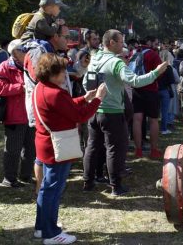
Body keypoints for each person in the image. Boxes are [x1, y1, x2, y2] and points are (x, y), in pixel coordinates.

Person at [82, 30, 168, 196]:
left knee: (92, 147)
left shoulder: (95, 58)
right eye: (121, 42)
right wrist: (156, 72)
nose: (124, 45)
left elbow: (86, 82)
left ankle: (88, 182)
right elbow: (135, 81)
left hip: (94, 110)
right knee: (114, 149)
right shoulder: (116, 63)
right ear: (112, 43)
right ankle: (116, 186)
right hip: (112, 112)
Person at [33, 53, 105, 244]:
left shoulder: (41, 88)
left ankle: (42, 227)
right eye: (62, 70)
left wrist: (84, 98)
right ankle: (51, 233)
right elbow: (80, 116)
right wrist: (98, 99)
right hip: (57, 146)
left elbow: (65, 107)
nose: (65, 73)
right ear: (53, 73)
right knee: (53, 190)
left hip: (45, 144)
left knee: (46, 189)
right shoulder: (56, 92)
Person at [23, 25, 73, 194]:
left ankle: (45, 188)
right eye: (65, 37)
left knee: (46, 152)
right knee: (43, 154)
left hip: (51, 106)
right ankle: (42, 189)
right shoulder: (40, 52)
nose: (68, 41)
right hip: (45, 109)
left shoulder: (50, 51)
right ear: (54, 37)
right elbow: (41, 79)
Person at [0, 40, 34, 188]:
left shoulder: (30, 65)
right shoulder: (5, 66)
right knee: (13, 149)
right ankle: (9, 179)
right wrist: (22, 87)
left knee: (31, 149)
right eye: (24, 49)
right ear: (15, 52)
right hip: (14, 115)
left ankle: (26, 176)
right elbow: (1, 88)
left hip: (30, 114)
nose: (27, 52)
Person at [131, 37, 163, 158]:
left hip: (136, 89)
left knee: (137, 120)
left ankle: (138, 150)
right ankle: (153, 150)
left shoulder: (133, 53)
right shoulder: (153, 54)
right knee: (153, 120)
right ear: (148, 42)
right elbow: (159, 72)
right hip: (151, 90)